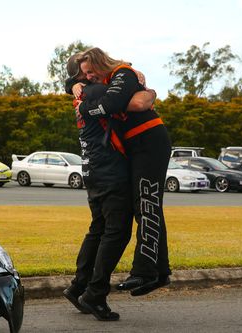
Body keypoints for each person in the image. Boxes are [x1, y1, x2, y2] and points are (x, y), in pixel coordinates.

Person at [63, 53, 156, 321]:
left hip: (92, 169)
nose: (93, 75)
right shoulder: (99, 90)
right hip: (110, 170)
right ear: (80, 76)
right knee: (117, 232)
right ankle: (95, 293)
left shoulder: (81, 93)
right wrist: (150, 89)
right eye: (88, 73)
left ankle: (78, 286)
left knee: (99, 229)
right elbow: (140, 102)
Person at [75, 47, 172, 297]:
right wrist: (73, 86)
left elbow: (124, 103)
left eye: (89, 72)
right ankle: (158, 272)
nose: (87, 78)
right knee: (145, 204)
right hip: (135, 145)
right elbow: (79, 83)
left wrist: (86, 107)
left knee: (147, 203)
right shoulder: (101, 81)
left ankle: (145, 272)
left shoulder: (123, 73)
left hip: (150, 140)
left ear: (99, 64)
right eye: (82, 75)